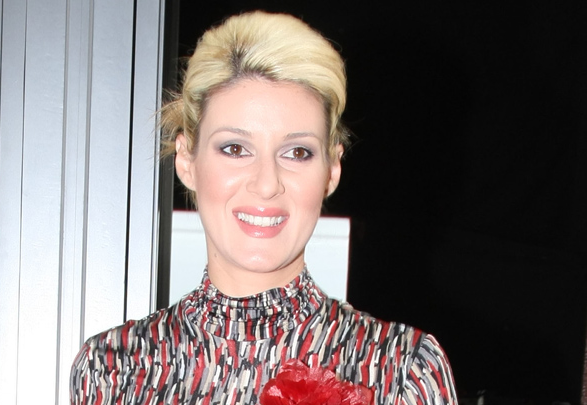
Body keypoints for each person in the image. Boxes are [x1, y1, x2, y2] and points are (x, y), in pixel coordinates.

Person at [70, 11, 457, 405]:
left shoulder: (401, 368)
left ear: (331, 171)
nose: (267, 183)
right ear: (186, 161)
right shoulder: (113, 370)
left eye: (297, 152)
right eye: (235, 149)